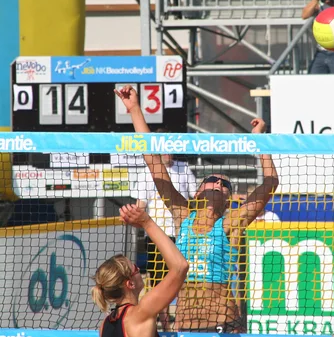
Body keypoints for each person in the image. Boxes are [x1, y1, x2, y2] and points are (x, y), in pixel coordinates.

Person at [114, 85, 280, 333]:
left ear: (228, 198)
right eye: (211, 180)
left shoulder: (229, 224)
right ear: (199, 191)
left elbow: (270, 182)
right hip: (186, 325)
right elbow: (152, 160)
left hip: (223, 323)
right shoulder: (182, 216)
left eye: (224, 183)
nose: (218, 183)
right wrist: (135, 109)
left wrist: (260, 139)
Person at [131, 130, 198, 331]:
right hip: (158, 235)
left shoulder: (184, 169)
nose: (168, 154)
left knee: (185, 279)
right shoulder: (147, 172)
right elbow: (140, 204)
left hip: (182, 234)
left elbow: (195, 200)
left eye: (171, 150)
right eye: (164, 150)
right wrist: (134, 217)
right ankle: (166, 326)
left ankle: (180, 323)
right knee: (159, 282)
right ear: (158, 151)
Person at [92, 203, 189, 337]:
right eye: (136, 269)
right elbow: (180, 267)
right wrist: (147, 223)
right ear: (130, 284)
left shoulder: (105, 325)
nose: (139, 269)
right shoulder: (141, 313)